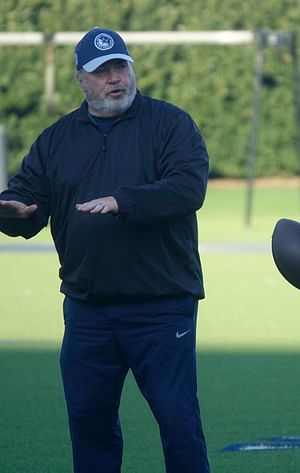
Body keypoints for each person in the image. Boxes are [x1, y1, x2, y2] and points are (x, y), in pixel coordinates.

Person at [0, 27, 210, 472]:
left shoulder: (170, 124)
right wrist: (9, 211)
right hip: (88, 312)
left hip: (162, 308)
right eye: (101, 71)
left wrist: (124, 201)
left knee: (178, 422)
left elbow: (187, 188)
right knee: (89, 426)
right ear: (81, 79)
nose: (115, 78)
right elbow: (28, 200)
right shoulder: (57, 140)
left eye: (120, 66)